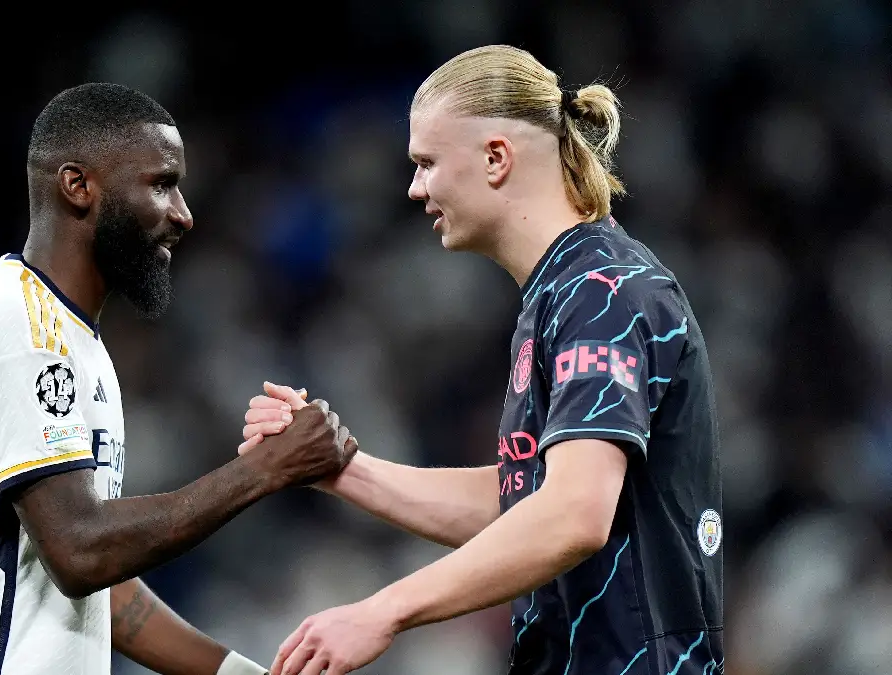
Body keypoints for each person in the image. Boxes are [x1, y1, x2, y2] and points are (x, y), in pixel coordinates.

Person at [239, 45, 723, 675]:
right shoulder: (562, 292)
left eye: (427, 163)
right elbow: (527, 502)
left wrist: (384, 610)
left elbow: (574, 513)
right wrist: (340, 467)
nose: (414, 188)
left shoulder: (604, 291)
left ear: (496, 158)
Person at [0, 82, 357, 675]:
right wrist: (264, 470)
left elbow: (105, 594)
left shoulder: (76, 344)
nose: (184, 214)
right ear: (77, 185)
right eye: (162, 183)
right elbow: (80, 551)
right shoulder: (16, 318)